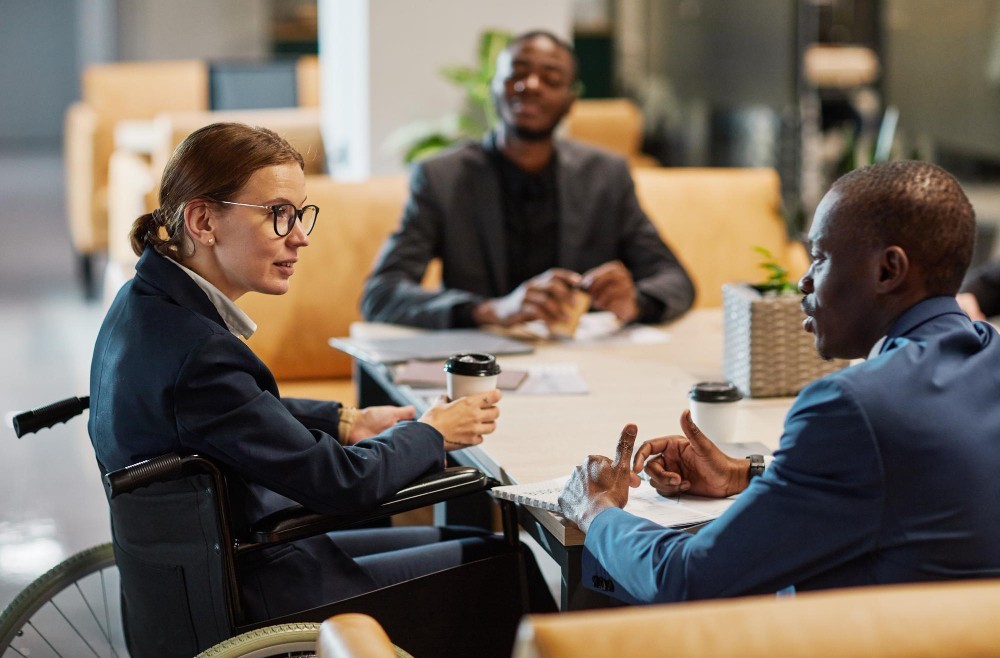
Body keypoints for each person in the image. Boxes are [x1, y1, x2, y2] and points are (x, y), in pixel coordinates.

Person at [89, 122, 553, 656]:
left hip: (200, 576)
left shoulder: (142, 304)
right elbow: (340, 483)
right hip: (259, 594)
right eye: (278, 214)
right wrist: (431, 433)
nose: (300, 236)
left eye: (300, 213)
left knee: (477, 545)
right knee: (504, 567)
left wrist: (343, 421)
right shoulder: (200, 353)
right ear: (203, 220)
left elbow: (219, 412)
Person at [559, 160, 1000, 604]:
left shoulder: (851, 407)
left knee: (591, 592)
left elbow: (687, 580)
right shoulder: (988, 355)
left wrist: (596, 510)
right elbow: (916, 481)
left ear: (888, 270)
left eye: (821, 257)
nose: (803, 281)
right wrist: (746, 476)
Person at [361, 30, 695, 329]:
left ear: (570, 101)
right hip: (482, 364)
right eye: (517, 74)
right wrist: (490, 310)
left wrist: (635, 300)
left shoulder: (605, 176)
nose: (531, 85)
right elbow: (381, 293)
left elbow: (676, 280)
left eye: (550, 79)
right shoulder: (442, 178)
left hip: (585, 363)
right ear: (494, 88)